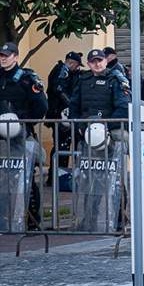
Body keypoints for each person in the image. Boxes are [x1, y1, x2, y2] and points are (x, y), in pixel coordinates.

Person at [69, 48, 131, 232]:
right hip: (88, 136)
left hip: (111, 135)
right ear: (88, 63)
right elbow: (74, 106)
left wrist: (106, 126)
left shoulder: (116, 80)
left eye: (100, 60)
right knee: (89, 179)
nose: (97, 64)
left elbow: (124, 106)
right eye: (93, 61)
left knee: (116, 179)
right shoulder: (83, 80)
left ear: (106, 61)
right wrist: (80, 127)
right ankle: (89, 219)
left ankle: (120, 219)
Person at [0, 42, 48, 230]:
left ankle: (32, 219)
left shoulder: (27, 79)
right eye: (2, 55)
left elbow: (41, 106)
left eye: (7, 55)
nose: (3, 58)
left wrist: (25, 122)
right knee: (4, 178)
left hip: (21, 135)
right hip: (1, 138)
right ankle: (4, 218)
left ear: (16, 57)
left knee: (24, 176)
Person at [46, 51, 82, 175]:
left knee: (68, 146)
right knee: (61, 146)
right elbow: (58, 90)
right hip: (60, 115)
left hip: (67, 115)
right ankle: (57, 177)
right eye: (76, 65)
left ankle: (62, 177)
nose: (77, 68)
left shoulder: (70, 73)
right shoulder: (61, 71)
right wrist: (71, 105)